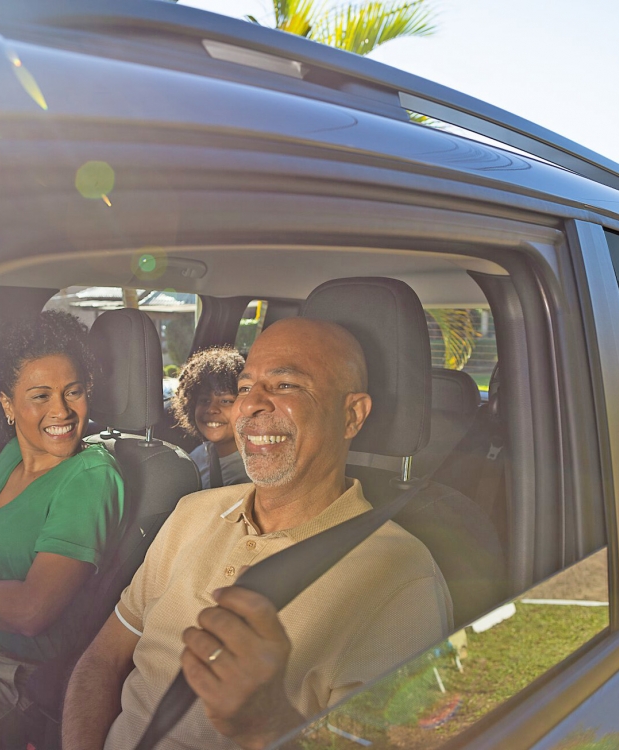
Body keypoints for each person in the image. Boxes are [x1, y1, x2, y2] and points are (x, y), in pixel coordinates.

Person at [62, 317, 453, 750]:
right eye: (246, 387)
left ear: (352, 414)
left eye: (286, 386)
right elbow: (101, 659)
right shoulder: (191, 512)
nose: (249, 406)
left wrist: (267, 726)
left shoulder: (400, 577)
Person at [0, 310, 125, 750]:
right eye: (40, 395)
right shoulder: (10, 458)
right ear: (7, 404)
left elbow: (31, 612)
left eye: (72, 392)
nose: (60, 410)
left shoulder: (91, 477)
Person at [171, 346, 250, 489]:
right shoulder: (195, 459)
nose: (211, 409)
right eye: (204, 400)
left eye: (226, 401)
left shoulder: (257, 465)